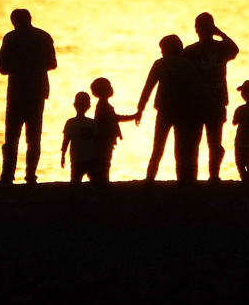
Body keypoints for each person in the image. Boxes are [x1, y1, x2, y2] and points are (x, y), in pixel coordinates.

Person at [0, 9, 57, 184]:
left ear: (13, 21)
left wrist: (17, 67)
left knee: (11, 137)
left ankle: (7, 176)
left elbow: (1, 66)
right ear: (30, 19)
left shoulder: (10, 38)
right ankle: (30, 175)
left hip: (16, 92)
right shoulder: (44, 37)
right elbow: (52, 64)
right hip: (37, 92)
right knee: (34, 137)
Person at [183, 13, 239, 181]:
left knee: (204, 142)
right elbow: (234, 49)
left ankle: (206, 176)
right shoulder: (216, 49)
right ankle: (211, 175)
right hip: (208, 101)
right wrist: (220, 33)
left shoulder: (192, 51)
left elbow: (235, 50)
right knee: (210, 141)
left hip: (207, 101)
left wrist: (219, 33)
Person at [136, 35, 199, 183]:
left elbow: (148, 87)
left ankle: (150, 178)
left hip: (164, 111)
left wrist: (140, 109)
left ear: (167, 49)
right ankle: (183, 180)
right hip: (183, 111)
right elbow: (195, 89)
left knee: (157, 147)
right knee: (181, 149)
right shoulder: (187, 65)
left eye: (162, 49)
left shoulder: (160, 64)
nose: (161, 53)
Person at [90, 77, 139, 182]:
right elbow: (116, 118)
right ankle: (103, 185)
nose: (112, 88)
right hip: (104, 140)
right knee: (104, 163)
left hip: (106, 140)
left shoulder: (103, 105)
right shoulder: (103, 106)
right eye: (109, 86)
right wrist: (133, 117)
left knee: (105, 163)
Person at [60, 92, 101, 184]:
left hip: (78, 158)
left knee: (76, 181)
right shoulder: (91, 123)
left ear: (74, 105)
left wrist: (63, 155)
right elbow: (97, 141)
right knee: (93, 181)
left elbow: (66, 140)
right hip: (88, 158)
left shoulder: (70, 123)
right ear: (89, 106)